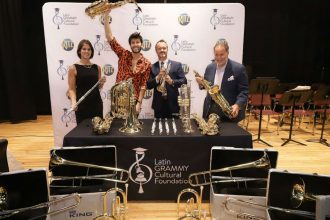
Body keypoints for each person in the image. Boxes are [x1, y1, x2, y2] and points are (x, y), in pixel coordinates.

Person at [103, 10, 151, 114]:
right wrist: (106, 17)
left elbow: (143, 85)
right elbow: (110, 37)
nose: (135, 44)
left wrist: (139, 103)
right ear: (130, 45)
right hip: (118, 99)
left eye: (137, 42)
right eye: (133, 42)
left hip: (134, 101)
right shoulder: (123, 54)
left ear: (142, 44)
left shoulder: (147, 63)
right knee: (116, 128)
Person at [195, 39, 248, 122]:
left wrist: (237, 105)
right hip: (210, 109)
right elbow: (206, 87)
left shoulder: (239, 69)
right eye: (216, 55)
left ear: (227, 53)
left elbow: (244, 91)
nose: (219, 58)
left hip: (229, 112)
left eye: (222, 54)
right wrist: (201, 84)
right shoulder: (209, 67)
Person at [67, 39, 106, 124]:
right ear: (79, 51)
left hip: (96, 104)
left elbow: (98, 87)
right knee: (82, 132)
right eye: (84, 49)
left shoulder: (97, 67)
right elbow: (71, 89)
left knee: (98, 129)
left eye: (89, 49)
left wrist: (102, 83)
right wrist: (73, 102)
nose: (86, 51)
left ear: (91, 52)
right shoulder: (73, 68)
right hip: (82, 105)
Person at [147, 40, 187, 118]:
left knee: (175, 128)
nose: (162, 50)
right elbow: (148, 85)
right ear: (156, 51)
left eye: (164, 48)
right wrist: (158, 77)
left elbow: (184, 81)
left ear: (167, 49)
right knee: (159, 129)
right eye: (159, 48)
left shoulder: (177, 65)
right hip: (158, 105)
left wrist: (172, 81)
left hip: (173, 104)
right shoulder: (152, 67)